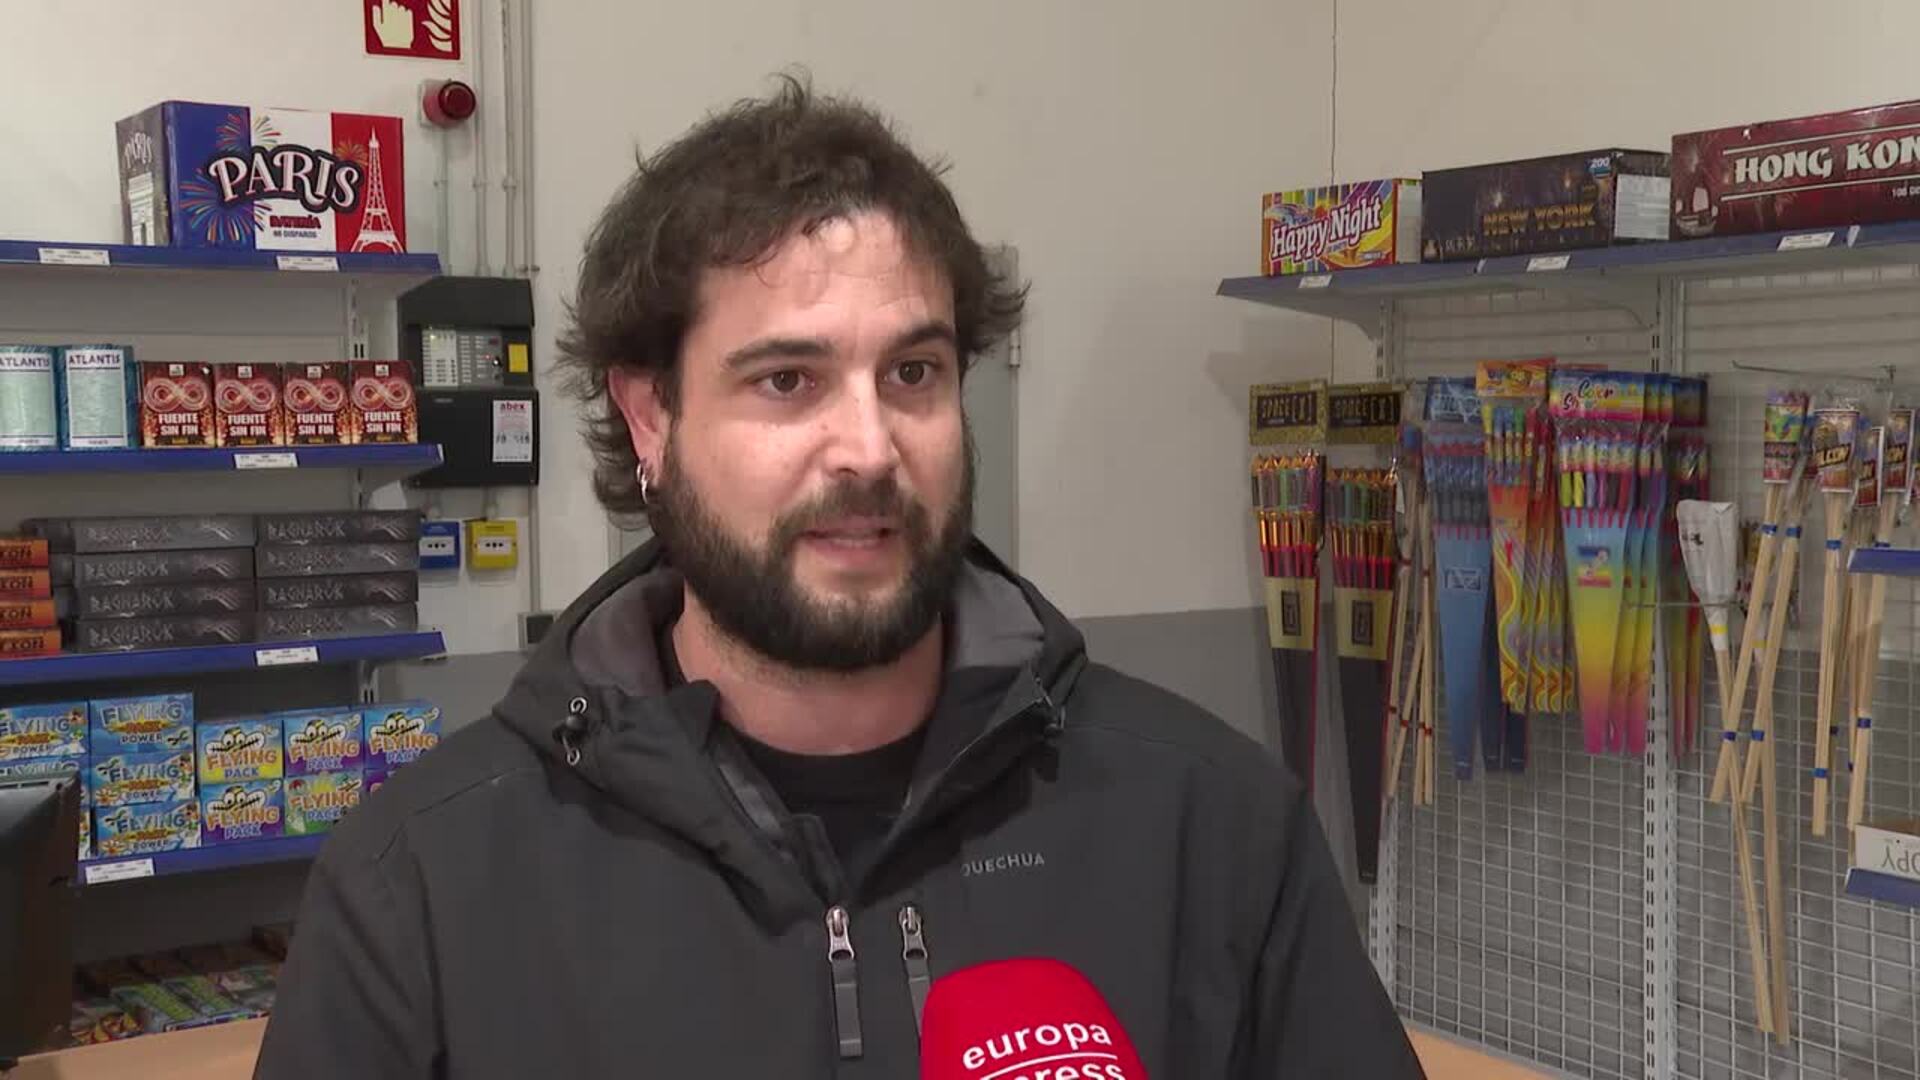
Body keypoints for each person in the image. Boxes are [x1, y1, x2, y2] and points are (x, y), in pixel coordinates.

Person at [256, 77, 1422, 1079]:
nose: (869, 448)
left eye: (913, 373)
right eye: (787, 381)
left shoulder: (1210, 827)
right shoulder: (422, 887)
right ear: (650, 416)